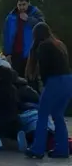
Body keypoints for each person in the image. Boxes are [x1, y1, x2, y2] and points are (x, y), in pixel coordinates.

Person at [25, 22, 72, 159]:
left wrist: (43, 86)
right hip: (68, 80)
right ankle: (62, 149)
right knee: (58, 115)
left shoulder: (43, 46)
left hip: (54, 81)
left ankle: (37, 149)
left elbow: (45, 70)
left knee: (42, 115)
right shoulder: (59, 44)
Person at [2, 0, 44, 91]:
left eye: (24, 4)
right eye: (19, 5)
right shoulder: (11, 17)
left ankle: (35, 103)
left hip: (31, 53)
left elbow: (42, 27)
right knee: (17, 79)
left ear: (28, 3)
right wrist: (7, 53)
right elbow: (6, 35)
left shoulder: (35, 13)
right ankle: (20, 103)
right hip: (16, 53)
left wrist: (28, 19)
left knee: (32, 79)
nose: (22, 7)